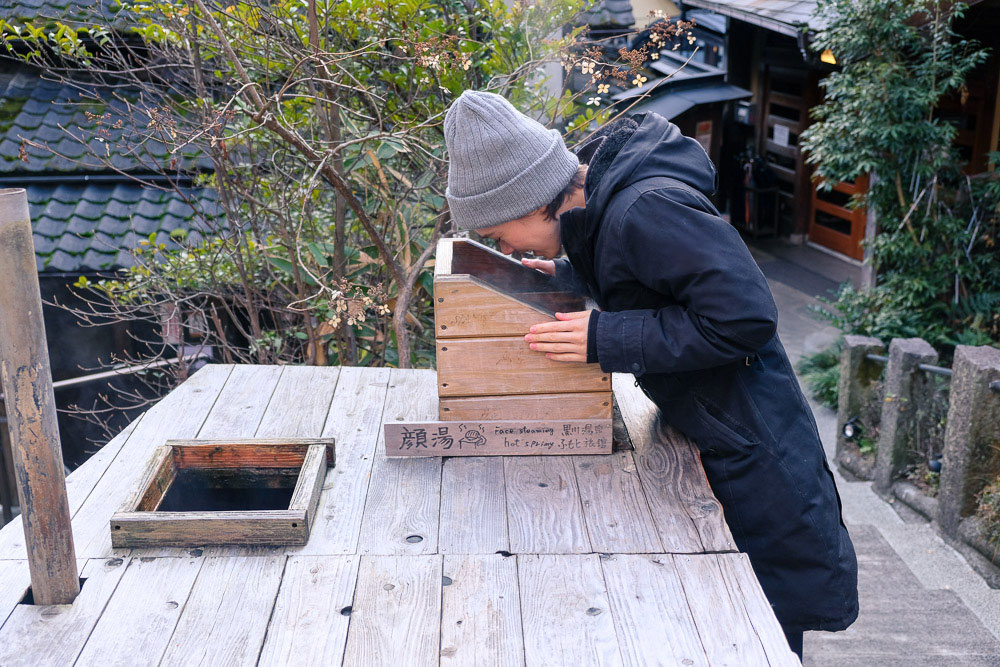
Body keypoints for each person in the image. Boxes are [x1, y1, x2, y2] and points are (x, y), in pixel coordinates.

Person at [443, 89, 859, 659]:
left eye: (499, 236)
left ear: (529, 200)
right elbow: (647, 274)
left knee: (761, 630)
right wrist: (569, 274)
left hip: (752, 443)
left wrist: (605, 338)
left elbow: (746, 317)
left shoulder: (647, 207)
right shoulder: (604, 207)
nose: (507, 249)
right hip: (716, 428)